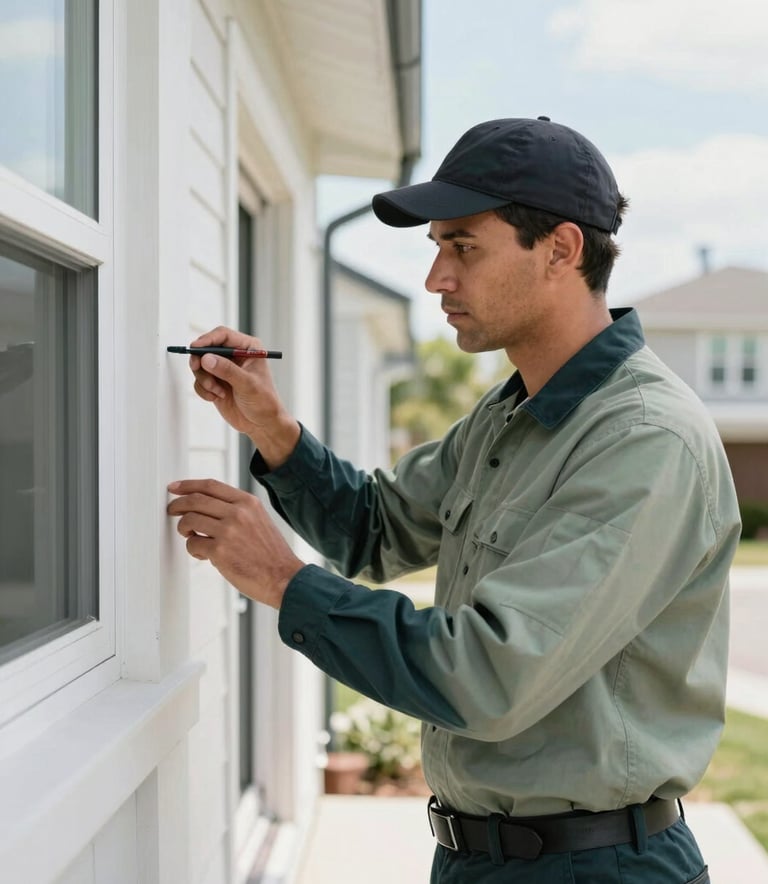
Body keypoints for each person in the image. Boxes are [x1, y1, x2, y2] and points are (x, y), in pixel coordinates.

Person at [167, 116, 740, 883]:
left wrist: (282, 581)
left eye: (462, 247)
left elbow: (487, 675)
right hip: (477, 859)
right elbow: (374, 529)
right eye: (436, 248)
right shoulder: (509, 415)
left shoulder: (642, 439)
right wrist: (272, 430)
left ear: (562, 250)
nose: (437, 278)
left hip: (595, 869)